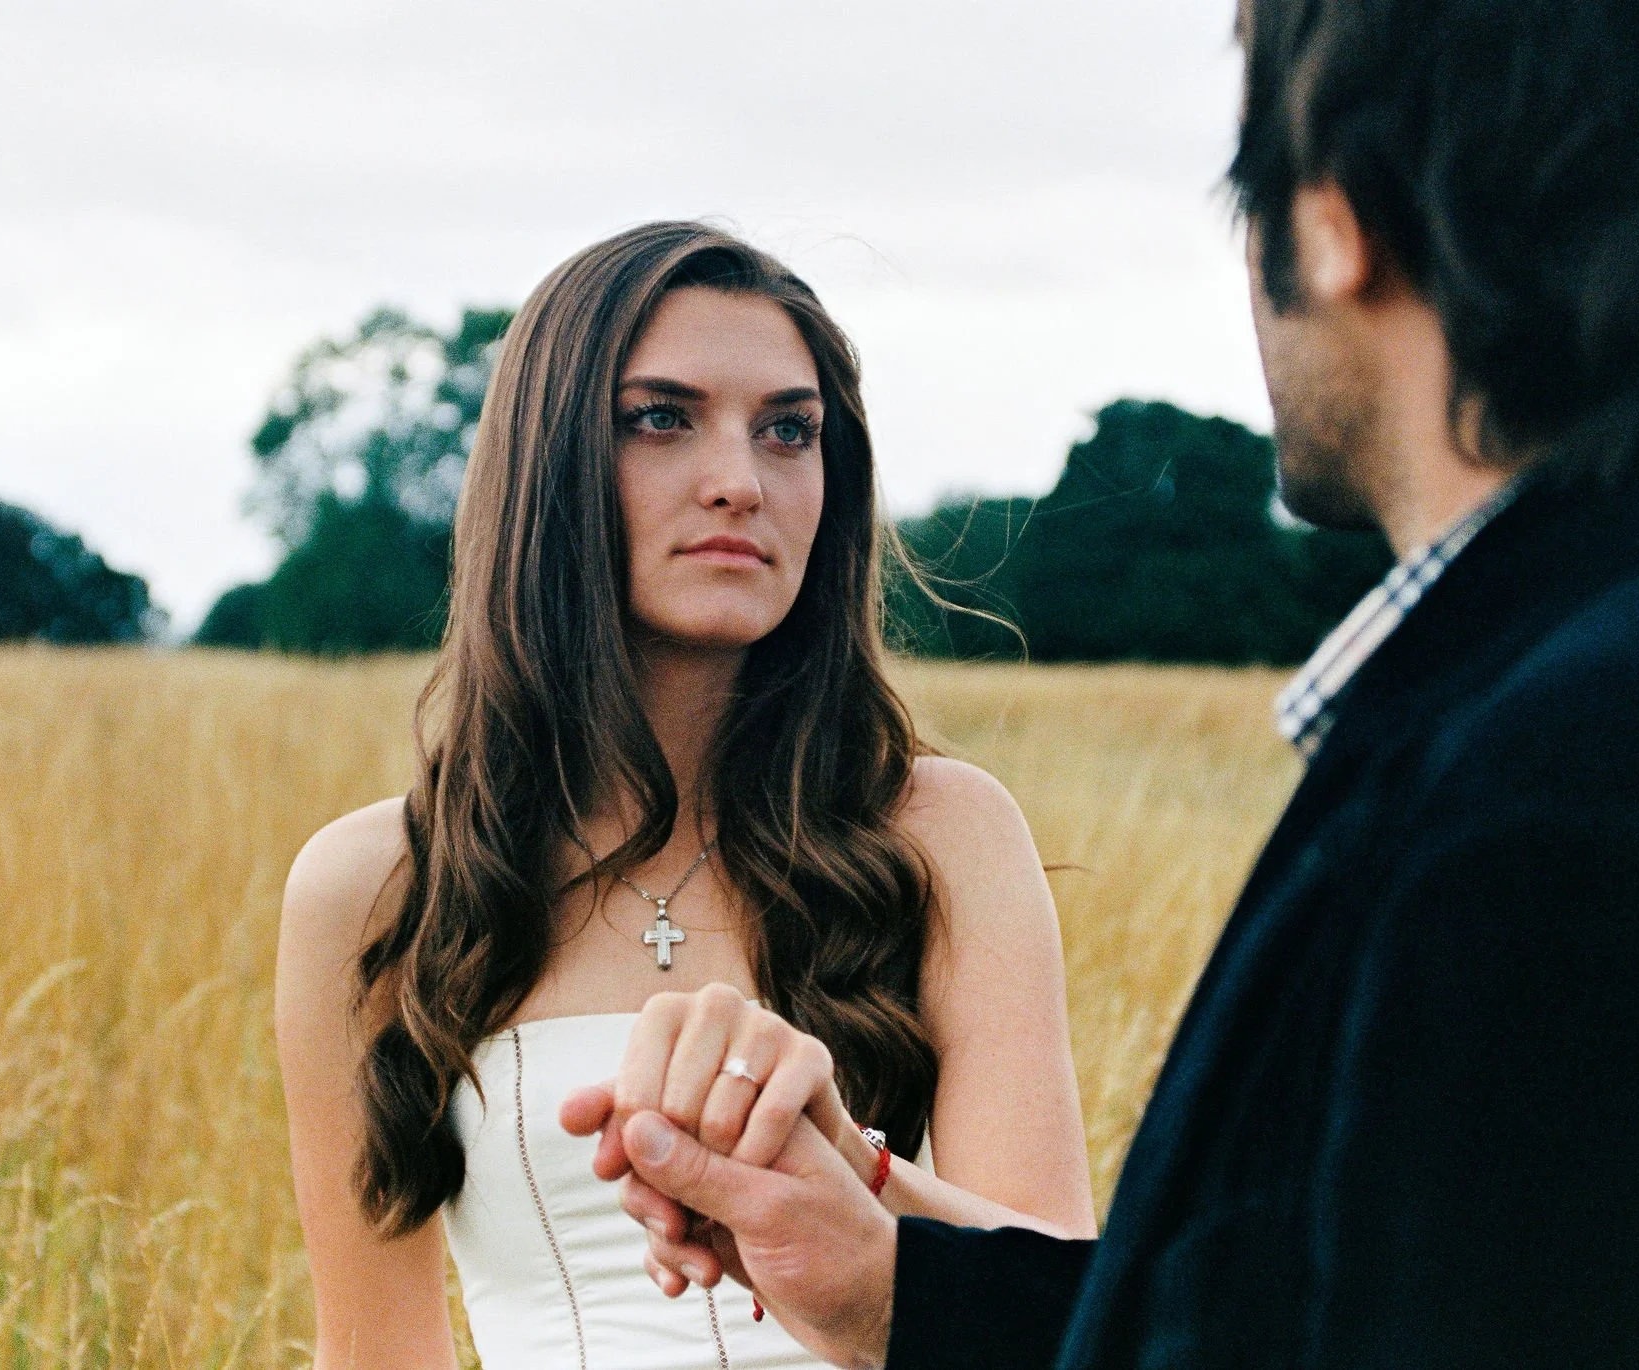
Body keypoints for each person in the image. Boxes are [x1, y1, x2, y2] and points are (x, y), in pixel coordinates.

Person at [567, 2, 1639, 1366]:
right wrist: (883, 1280)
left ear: (1336, 218)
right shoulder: (1622, 682)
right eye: (661, 417)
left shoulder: (1579, 791)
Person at [273, 221, 1098, 1370]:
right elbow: (374, 1352)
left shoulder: (939, 835)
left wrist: (850, 1173)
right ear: (547, 465)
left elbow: (1062, 1313)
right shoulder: (374, 886)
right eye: (660, 416)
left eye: (788, 430)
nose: (737, 481)